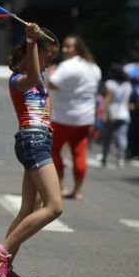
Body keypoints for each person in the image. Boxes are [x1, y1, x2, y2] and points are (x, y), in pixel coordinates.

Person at [0, 23, 62, 277]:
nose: (49, 64)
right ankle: (1, 252)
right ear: (31, 55)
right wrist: (31, 42)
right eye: (47, 58)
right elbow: (30, 79)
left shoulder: (40, 82)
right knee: (55, 207)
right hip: (33, 140)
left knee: (30, 209)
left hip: (40, 140)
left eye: (52, 60)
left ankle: (1, 271)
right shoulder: (19, 80)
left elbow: (45, 108)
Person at [47, 35, 101, 200]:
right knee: (79, 153)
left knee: (53, 151)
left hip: (64, 116)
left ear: (77, 49)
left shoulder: (67, 66)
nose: (64, 50)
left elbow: (52, 83)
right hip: (85, 118)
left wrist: (51, 72)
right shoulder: (94, 67)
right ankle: (77, 191)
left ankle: (61, 186)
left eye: (68, 47)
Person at [99, 64, 132, 168]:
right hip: (124, 113)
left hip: (112, 113)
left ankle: (105, 157)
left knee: (107, 137)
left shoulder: (110, 83)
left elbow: (108, 98)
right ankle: (120, 158)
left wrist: (104, 111)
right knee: (122, 137)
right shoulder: (128, 85)